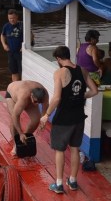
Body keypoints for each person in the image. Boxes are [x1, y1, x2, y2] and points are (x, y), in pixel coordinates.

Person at [41, 46, 99, 193]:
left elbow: (56, 98)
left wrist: (46, 114)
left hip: (63, 118)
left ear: (59, 59)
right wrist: (80, 96)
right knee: (75, 149)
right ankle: (73, 181)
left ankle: (59, 184)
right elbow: (94, 91)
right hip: (79, 117)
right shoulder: (83, 70)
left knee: (59, 151)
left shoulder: (60, 73)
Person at [4, 80, 48, 157]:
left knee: (36, 120)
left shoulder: (45, 95)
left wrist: (42, 121)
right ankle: (16, 143)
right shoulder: (23, 97)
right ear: (31, 95)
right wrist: (20, 133)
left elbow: (44, 109)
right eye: (35, 101)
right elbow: (15, 116)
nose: (37, 104)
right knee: (14, 119)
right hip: (12, 94)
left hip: (26, 92)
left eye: (39, 103)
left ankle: (25, 138)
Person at [0, 9, 32, 82]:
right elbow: (2, 35)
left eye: (13, 18)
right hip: (11, 52)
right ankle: (15, 87)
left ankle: (23, 86)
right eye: (10, 18)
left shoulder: (22, 25)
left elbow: (31, 36)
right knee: (14, 71)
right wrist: (4, 45)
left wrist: (24, 46)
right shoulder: (6, 26)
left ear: (17, 17)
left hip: (21, 53)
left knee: (22, 71)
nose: (12, 20)